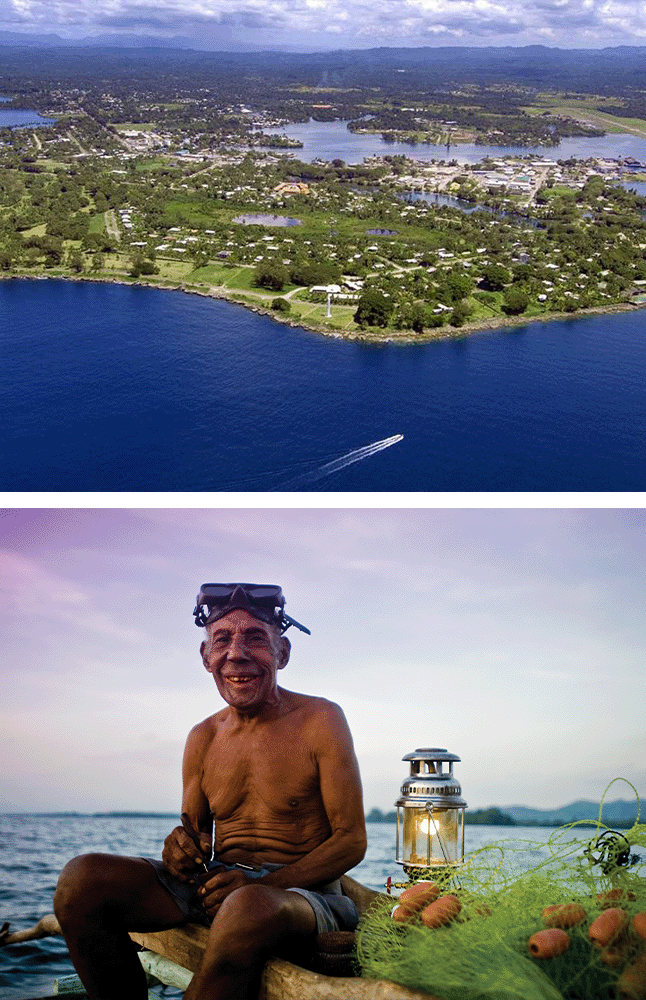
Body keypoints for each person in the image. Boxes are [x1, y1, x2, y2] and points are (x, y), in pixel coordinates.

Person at [54, 583, 367, 1000]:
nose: (237, 653)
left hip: (304, 898)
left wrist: (266, 887)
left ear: (283, 653)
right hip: (220, 888)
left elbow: (352, 841)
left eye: (255, 637)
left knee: (247, 908)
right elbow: (194, 837)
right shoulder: (202, 737)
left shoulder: (321, 720)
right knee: (82, 880)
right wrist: (179, 850)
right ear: (206, 658)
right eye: (222, 640)